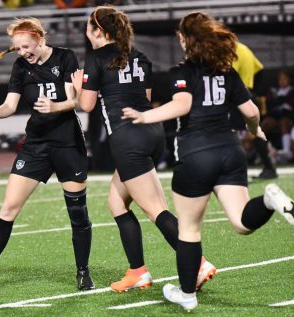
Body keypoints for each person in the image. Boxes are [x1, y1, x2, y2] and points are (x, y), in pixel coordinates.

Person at [120, 12, 294, 310]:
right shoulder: (227, 71)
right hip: (230, 151)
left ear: (188, 40)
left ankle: (187, 294)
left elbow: (183, 104)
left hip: (195, 154)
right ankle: (267, 200)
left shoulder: (181, 71)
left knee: (188, 229)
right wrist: (256, 131)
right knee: (241, 222)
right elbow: (251, 112)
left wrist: (145, 115)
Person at [71, 5, 215, 293]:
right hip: (151, 133)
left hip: (128, 140)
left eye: (89, 26)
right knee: (116, 201)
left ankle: (198, 263)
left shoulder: (96, 58)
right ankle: (137, 271)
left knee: (156, 210)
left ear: (99, 31)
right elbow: (144, 98)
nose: (87, 31)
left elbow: (86, 106)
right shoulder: (140, 57)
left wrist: (76, 87)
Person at [0, 17, 95, 291]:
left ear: (40, 40)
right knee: (8, 208)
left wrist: (54, 107)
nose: (22, 53)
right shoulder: (21, 66)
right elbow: (10, 105)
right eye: (17, 49)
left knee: (77, 212)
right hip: (36, 146)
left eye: (26, 47)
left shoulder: (65, 58)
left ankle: (83, 272)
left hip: (67, 143)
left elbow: (74, 100)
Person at [231, 41, 278, 179]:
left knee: (233, 130)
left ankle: (237, 170)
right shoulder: (242, 47)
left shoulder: (232, 52)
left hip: (243, 93)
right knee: (253, 131)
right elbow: (260, 69)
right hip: (251, 91)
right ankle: (269, 168)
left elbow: (228, 77)